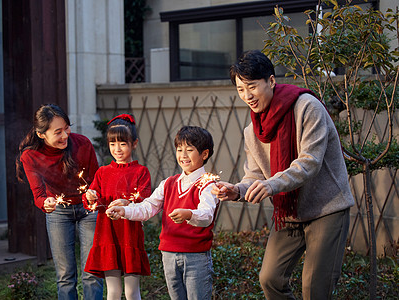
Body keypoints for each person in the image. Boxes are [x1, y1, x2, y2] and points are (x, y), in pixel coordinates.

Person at [212, 50, 355, 300]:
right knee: (270, 279)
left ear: (271, 81)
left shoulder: (307, 107)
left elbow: (310, 162)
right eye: (240, 89)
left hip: (327, 208)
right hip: (289, 212)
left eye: (252, 87)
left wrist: (270, 185)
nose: (247, 96)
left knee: (315, 289)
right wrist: (238, 190)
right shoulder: (252, 130)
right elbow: (254, 176)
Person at [106, 125, 219, 300]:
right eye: (179, 149)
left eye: (189, 150)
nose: (183, 155)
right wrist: (125, 211)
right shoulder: (169, 183)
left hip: (196, 256)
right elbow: (148, 207)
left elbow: (206, 215)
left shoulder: (208, 184)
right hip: (169, 254)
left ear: (204, 154)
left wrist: (188, 214)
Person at [16, 104, 104, 300]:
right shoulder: (31, 156)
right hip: (59, 213)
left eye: (67, 128)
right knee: (65, 276)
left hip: (88, 210)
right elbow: (38, 194)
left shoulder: (82, 144)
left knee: (92, 272)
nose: (65, 135)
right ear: (42, 135)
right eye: (58, 132)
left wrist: (93, 193)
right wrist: (45, 203)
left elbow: (96, 181)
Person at [83, 114, 152, 300]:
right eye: (112, 144)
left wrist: (127, 203)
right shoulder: (102, 172)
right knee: (112, 292)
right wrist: (90, 196)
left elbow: (145, 201)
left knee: (131, 292)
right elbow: (93, 203)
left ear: (134, 143)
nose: (117, 149)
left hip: (130, 235)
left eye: (122, 143)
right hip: (107, 235)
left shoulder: (141, 172)